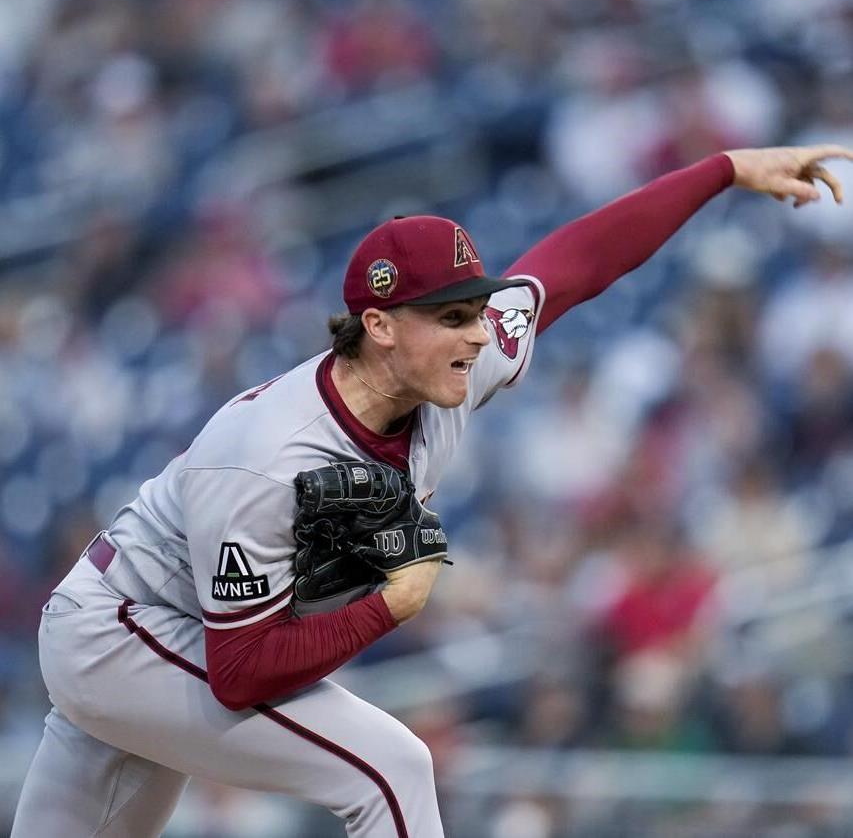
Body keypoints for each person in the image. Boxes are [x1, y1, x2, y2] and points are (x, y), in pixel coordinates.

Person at [11, 145, 853, 838]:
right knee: (392, 770)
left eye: (476, 310)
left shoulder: (456, 364)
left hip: (177, 628)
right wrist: (385, 609)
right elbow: (239, 674)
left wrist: (720, 170)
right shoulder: (266, 459)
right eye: (451, 316)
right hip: (127, 632)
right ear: (378, 326)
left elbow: (574, 264)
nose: (477, 332)